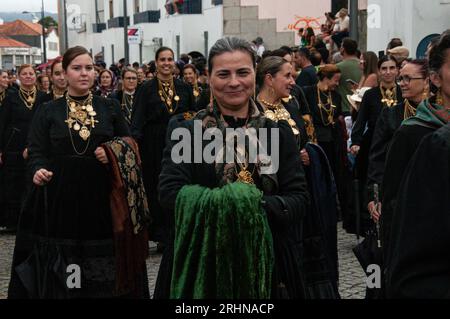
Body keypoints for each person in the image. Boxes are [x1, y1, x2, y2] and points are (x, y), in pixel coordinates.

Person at [154, 37, 309, 299]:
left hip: (268, 263)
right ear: (209, 77)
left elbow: (299, 197)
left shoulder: (277, 133)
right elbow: (169, 193)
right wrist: (235, 202)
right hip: (201, 261)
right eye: (224, 74)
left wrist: (255, 206)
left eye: (243, 72)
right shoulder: (188, 132)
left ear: (255, 75)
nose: (234, 82)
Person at [7, 46, 149, 299]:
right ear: (64, 74)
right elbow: (37, 150)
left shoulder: (110, 107)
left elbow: (130, 142)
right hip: (61, 197)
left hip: (102, 197)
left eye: (89, 68)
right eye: (77, 68)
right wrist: (38, 169)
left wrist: (112, 150)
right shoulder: (48, 110)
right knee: (65, 263)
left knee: (102, 261)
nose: (84, 74)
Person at [255, 56, 339, 298]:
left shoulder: (291, 105)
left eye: (293, 75)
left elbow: (305, 138)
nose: (293, 81)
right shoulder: (254, 110)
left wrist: (306, 152)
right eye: (288, 76)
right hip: (274, 192)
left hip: (301, 187)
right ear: (269, 79)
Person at [131, 46, 194, 249]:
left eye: (170, 59)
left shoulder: (183, 87)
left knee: (179, 183)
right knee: (156, 185)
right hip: (153, 143)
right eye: (162, 59)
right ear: (156, 62)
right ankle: (159, 233)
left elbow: (193, 115)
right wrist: (136, 145)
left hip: (180, 141)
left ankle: (177, 229)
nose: (167, 63)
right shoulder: (146, 88)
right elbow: (137, 119)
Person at [368, 59, 430, 229]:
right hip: (399, 195)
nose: (402, 84)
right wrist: (374, 197)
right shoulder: (391, 114)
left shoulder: (439, 113)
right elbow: (377, 158)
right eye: (401, 79)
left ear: (427, 81)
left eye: (408, 79)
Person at [346, 55, 401, 236]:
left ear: (397, 70)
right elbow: (360, 121)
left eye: (392, 68)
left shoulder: (403, 92)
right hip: (373, 145)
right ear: (378, 71)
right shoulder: (371, 94)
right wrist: (355, 142)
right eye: (384, 68)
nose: (388, 72)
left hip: (398, 144)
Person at [302, 64, 346, 281]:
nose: (337, 83)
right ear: (325, 77)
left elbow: (338, 113)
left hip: (333, 141)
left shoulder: (335, 95)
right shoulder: (310, 92)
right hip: (316, 142)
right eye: (335, 79)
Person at [0, 64, 51, 233]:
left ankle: (33, 220)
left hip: (35, 146)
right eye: (25, 74)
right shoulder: (11, 98)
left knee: (33, 183)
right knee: (13, 183)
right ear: (19, 77)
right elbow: (2, 124)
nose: (28, 76)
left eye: (31, 73)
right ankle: (13, 221)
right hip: (13, 146)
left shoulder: (44, 98)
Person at [336, 38, 362, 115]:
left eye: (341, 46)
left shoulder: (338, 67)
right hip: (361, 107)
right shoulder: (363, 65)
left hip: (345, 108)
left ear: (343, 49)